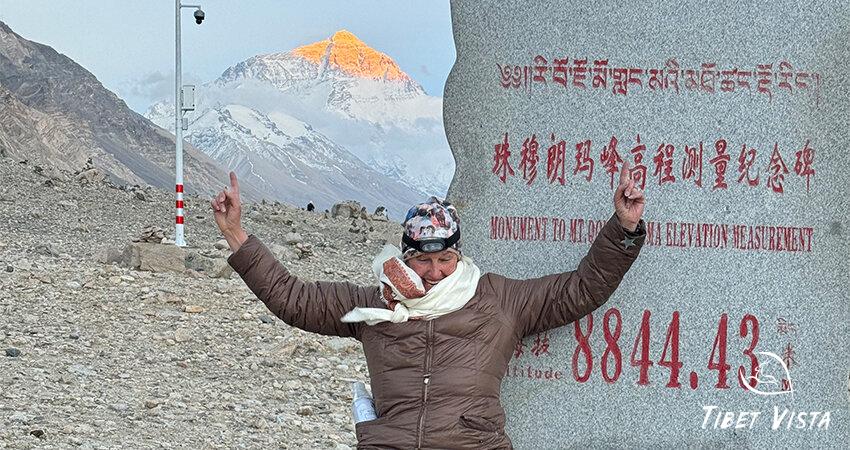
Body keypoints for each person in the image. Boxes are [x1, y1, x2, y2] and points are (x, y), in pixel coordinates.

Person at [211, 162, 646, 449]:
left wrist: (624, 228)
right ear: (405, 257)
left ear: (459, 256)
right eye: (422, 260)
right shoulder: (375, 304)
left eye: (445, 259)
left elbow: (580, 289)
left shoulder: (496, 299)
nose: (435, 271)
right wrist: (236, 235)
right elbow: (295, 299)